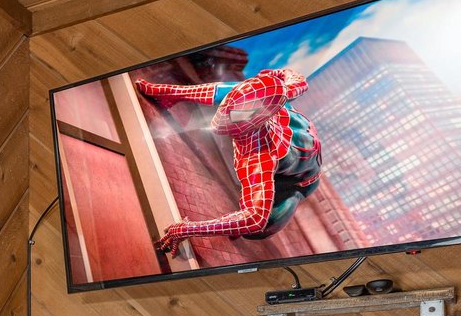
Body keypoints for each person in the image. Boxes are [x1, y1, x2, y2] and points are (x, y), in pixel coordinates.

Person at [135, 67, 322, 251]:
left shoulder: (259, 157)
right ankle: (171, 95)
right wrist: (168, 92)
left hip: (301, 182)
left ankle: (279, 201)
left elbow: (255, 219)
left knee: (260, 228)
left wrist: (186, 229)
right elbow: (298, 81)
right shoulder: (277, 96)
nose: (224, 114)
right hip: (297, 126)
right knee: (245, 91)